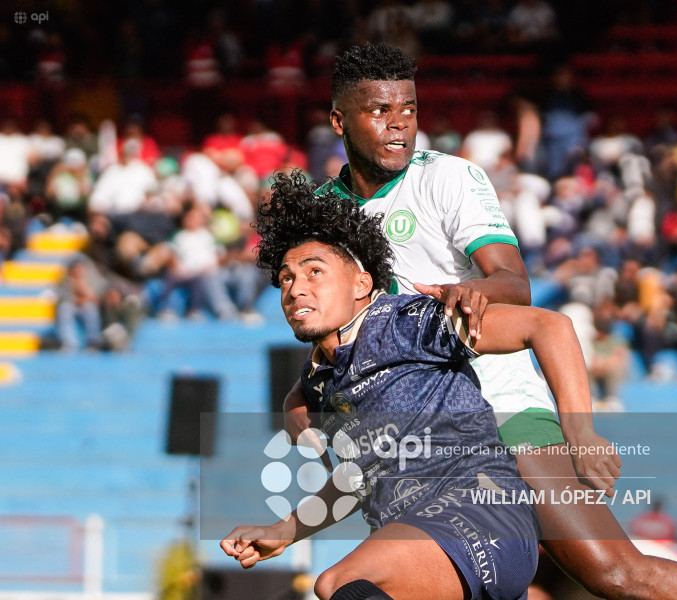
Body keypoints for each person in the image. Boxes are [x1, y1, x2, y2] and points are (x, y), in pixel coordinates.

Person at [286, 43, 677, 600]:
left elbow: (514, 283)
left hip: (502, 409)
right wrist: (318, 429)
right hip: (417, 441)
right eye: (381, 110)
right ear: (339, 121)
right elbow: (335, 339)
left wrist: (470, 293)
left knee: (614, 573)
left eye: (409, 108)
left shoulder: (447, 178)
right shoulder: (325, 216)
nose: (400, 122)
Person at [222, 172, 540, 600]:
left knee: (337, 583)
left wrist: (581, 431)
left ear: (362, 283)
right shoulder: (324, 380)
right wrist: (284, 531)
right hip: (432, 552)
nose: (296, 289)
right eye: (286, 279)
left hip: (483, 519)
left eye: (315, 271)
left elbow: (546, 326)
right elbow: (356, 478)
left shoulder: (403, 321)